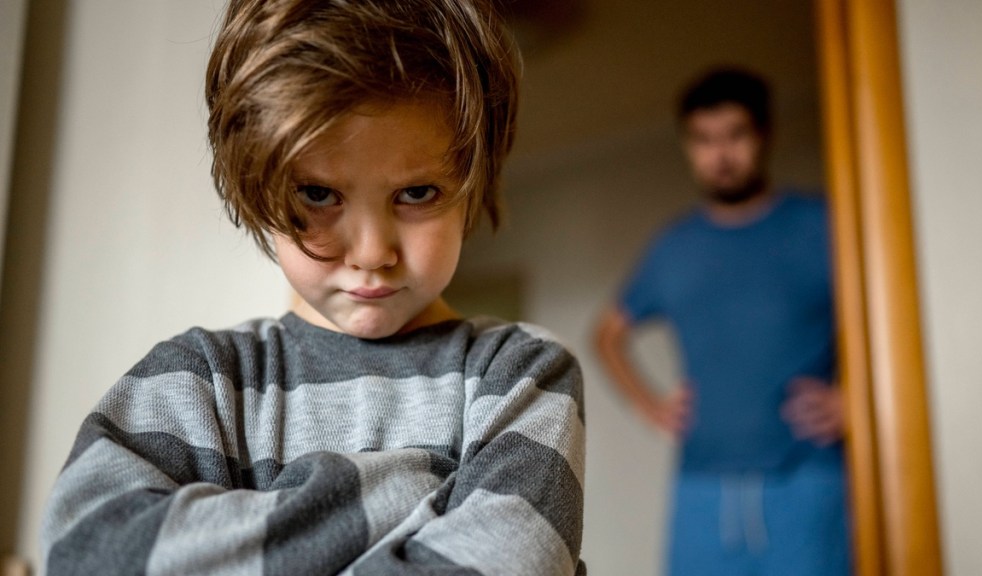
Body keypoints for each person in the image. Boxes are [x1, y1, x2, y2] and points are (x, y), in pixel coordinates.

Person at [39, 1, 586, 574]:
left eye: (417, 193)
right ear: (257, 185)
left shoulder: (524, 373)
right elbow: (86, 551)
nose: (372, 253)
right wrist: (406, 489)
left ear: (472, 187)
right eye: (319, 194)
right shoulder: (197, 379)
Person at [593, 68, 849, 576]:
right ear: (688, 147)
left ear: (764, 135)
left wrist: (858, 399)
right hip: (700, 489)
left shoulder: (821, 224)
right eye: (704, 140)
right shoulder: (675, 247)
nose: (721, 155)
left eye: (735, 135)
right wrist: (652, 407)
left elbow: (890, 313)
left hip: (806, 480)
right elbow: (606, 336)